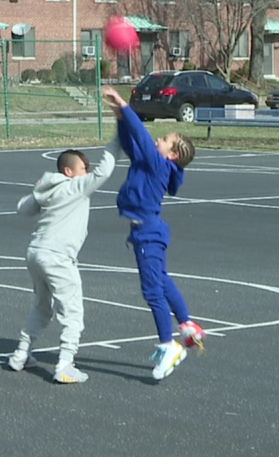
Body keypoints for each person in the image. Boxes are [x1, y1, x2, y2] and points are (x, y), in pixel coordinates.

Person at [101, 86, 205, 382]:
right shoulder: (150, 163)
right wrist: (120, 117)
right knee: (161, 280)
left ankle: (167, 345)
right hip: (148, 231)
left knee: (153, 292)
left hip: (148, 233)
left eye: (166, 140)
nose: (159, 139)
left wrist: (125, 106)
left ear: (172, 155)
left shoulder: (158, 165)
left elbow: (144, 140)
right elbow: (131, 142)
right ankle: (185, 324)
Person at [9, 144, 117, 384]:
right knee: (72, 312)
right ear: (69, 171)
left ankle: (21, 354)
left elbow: (22, 209)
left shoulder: (47, 189)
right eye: (83, 167)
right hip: (57, 257)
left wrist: (38, 191)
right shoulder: (77, 187)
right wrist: (116, 143)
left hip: (36, 253)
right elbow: (105, 171)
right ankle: (65, 364)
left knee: (42, 306)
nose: (88, 170)